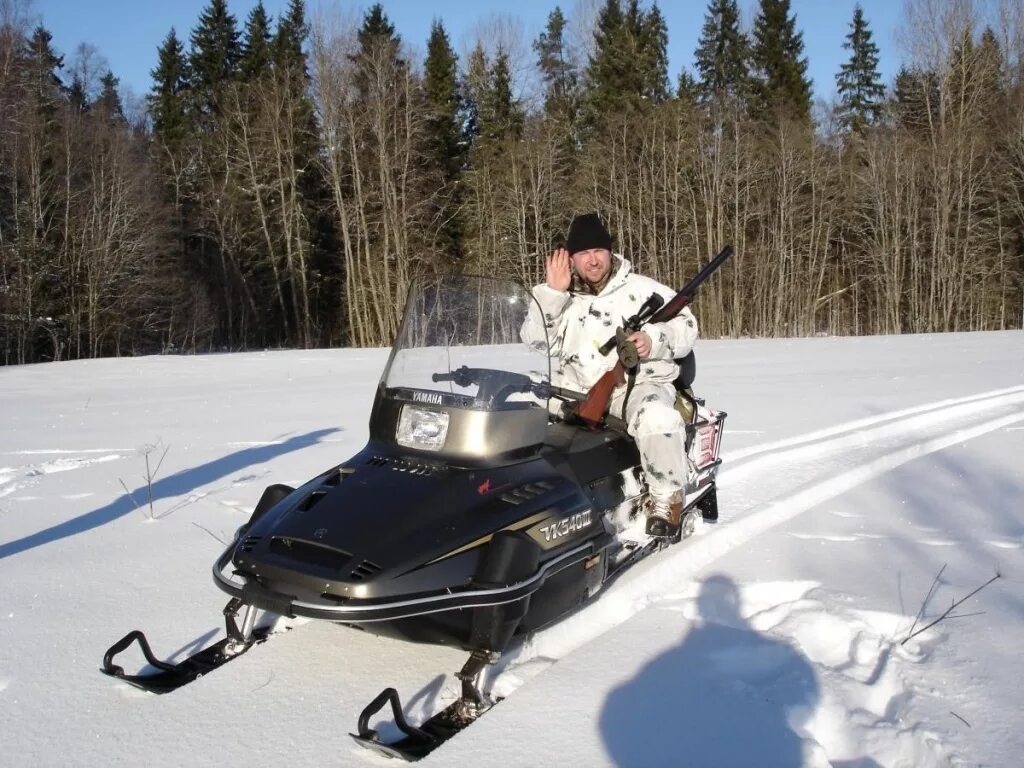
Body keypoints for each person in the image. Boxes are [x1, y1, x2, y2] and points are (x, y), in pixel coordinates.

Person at [527, 212, 699, 538]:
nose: (592, 260)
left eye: (598, 251)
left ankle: (665, 499)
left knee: (656, 417)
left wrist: (654, 339)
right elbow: (535, 341)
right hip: (573, 390)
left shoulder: (643, 289)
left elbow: (688, 326)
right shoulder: (555, 295)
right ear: (571, 258)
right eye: (583, 253)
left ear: (610, 252)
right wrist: (552, 295)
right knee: (513, 402)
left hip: (634, 388)